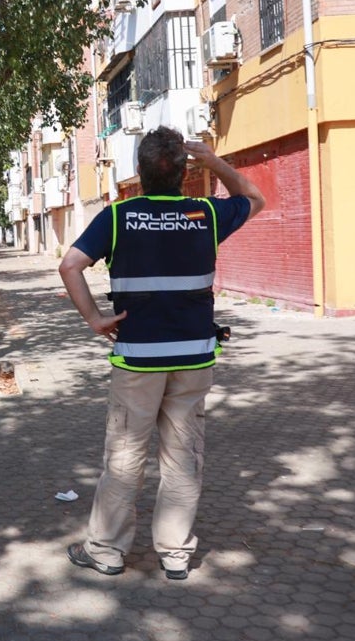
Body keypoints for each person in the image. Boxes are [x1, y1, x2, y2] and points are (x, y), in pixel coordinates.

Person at [58, 127, 265, 580]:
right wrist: (213, 161)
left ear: (140, 171)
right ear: (184, 170)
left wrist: (94, 319)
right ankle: (175, 553)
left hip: (138, 360)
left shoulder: (118, 216)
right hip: (193, 359)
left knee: (126, 456)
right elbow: (253, 197)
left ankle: (108, 551)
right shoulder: (206, 213)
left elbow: (70, 264)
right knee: (183, 457)